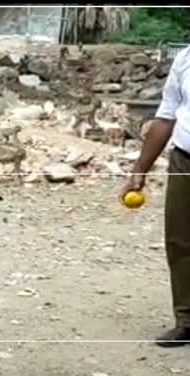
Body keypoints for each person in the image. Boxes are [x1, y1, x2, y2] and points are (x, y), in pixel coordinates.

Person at [121, 46, 190, 347]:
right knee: (180, 240)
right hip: (185, 160)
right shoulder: (186, 58)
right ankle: (187, 321)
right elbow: (166, 116)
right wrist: (140, 169)